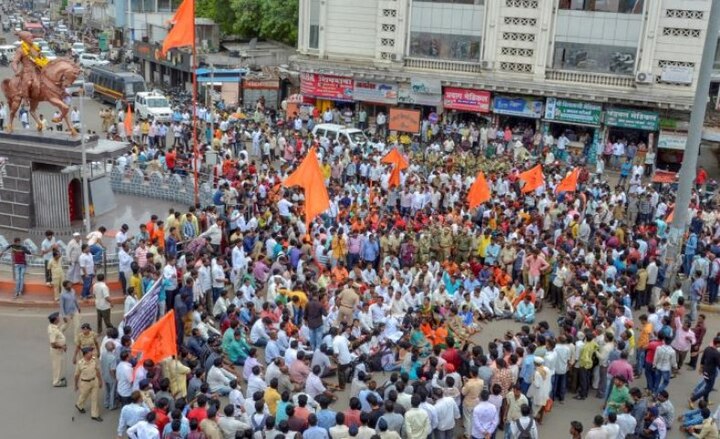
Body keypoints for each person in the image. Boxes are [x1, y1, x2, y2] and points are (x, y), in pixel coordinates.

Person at [74, 347, 103, 422]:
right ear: (85, 354)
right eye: (90, 352)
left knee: (95, 398)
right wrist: (75, 385)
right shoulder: (80, 363)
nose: (92, 354)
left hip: (94, 381)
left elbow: (97, 371)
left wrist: (100, 381)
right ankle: (79, 405)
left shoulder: (94, 360)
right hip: (85, 383)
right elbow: (76, 375)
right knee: (84, 396)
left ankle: (95, 415)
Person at [47, 311, 67, 387]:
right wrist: (62, 346)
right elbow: (53, 343)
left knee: (59, 364)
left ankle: (58, 378)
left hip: (59, 350)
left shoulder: (53, 326)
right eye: (58, 317)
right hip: (56, 351)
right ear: (55, 320)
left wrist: (65, 323)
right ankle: (56, 382)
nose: (59, 318)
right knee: (57, 366)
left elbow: (60, 330)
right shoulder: (53, 330)